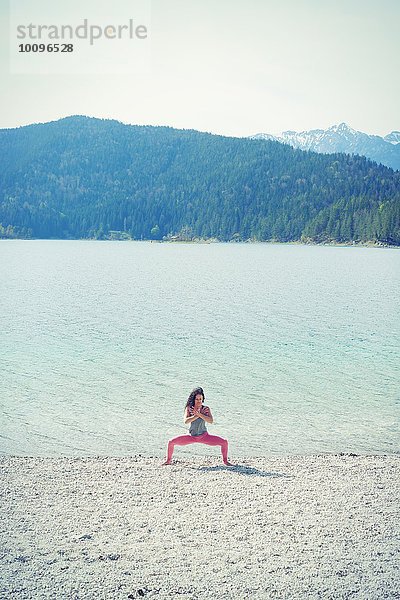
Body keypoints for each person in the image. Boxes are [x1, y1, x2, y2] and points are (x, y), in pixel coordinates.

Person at [162, 387, 233, 466]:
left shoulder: (205, 409)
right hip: (191, 436)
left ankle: (225, 461)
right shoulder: (189, 408)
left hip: (204, 436)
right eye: (197, 399)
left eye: (200, 399)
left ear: (203, 399)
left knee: (224, 442)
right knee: (171, 442)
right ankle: (168, 461)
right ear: (194, 399)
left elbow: (211, 421)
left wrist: (200, 414)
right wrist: (196, 416)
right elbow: (186, 421)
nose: (199, 401)